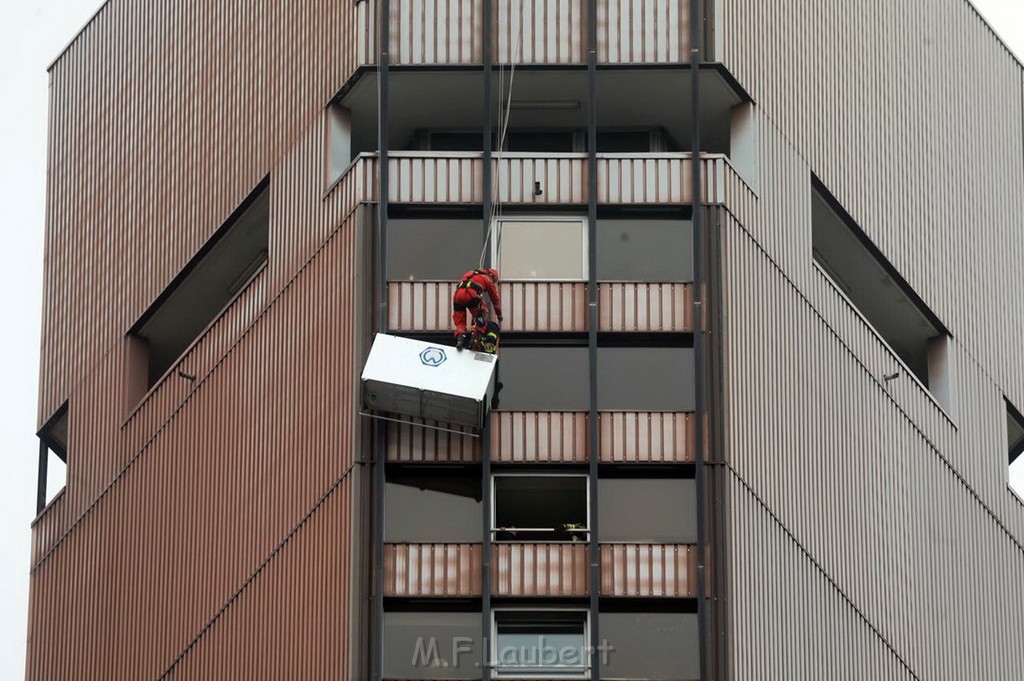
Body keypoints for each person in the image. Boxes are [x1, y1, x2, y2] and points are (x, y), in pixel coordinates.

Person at [452, 268, 503, 350]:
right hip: (470, 293)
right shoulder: (487, 279)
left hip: (457, 295)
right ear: (492, 276)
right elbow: (495, 299)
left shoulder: (470, 273)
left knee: (460, 319)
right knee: (481, 314)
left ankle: (460, 340)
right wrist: (499, 314)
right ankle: (475, 338)